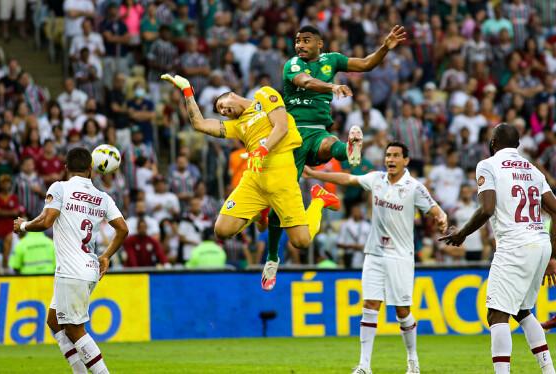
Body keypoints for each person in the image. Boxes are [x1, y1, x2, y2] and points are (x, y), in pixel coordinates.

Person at [161, 73, 340, 291]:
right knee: (222, 230)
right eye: (220, 112)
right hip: (254, 181)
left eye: (223, 105)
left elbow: (281, 127)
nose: (224, 112)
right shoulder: (238, 126)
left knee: (301, 242)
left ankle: (319, 200)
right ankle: (260, 211)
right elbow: (199, 124)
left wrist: (263, 149)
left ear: (233, 95)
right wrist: (187, 90)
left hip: (282, 178)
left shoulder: (264, 95)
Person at [265, 24, 407, 285]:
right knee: (280, 197)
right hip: (292, 135)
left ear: (320, 44)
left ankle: (349, 148)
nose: (299, 45)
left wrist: (385, 48)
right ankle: (272, 257)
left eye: (306, 40)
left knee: (331, 146)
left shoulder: (333, 60)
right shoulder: (292, 65)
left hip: (318, 131)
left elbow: (365, 64)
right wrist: (332, 88)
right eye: (297, 41)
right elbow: (304, 82)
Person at [304, 142, 448, 374]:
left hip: (400, 256)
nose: (390, 159)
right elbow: (347, 178)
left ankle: (413, 360)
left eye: (396, 156)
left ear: (406, 161)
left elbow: (436, 210)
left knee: (402, 311)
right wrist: (313, 173)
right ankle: (364, 365)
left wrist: (442, 219)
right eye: (388, 155)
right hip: (374, 253)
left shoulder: (414, 187)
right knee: (370, 306)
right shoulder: (376, 179)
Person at [440, 123, 556, 374]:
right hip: (540, 244)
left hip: (514, 245)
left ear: (492, 143)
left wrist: (461, 233)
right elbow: (555, 210)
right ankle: (549, 371)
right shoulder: (534, 170)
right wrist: (553, 256)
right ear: (518, 145)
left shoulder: (488, 165)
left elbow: (487, 208)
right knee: (523, 311)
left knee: (496, 314)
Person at [13, 147, 128, 373]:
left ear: (65, 168)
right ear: (90, 170)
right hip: (89, 267)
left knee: (75, 330)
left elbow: (47, 221)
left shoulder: (60, 188)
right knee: (54, 322)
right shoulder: (103, 198)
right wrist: (106, 256)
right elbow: (122, 229)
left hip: (71, 271)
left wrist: (24, 225)